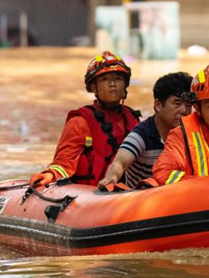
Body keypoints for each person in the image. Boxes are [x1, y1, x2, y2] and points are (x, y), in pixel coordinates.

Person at [30, 51, 141, 188]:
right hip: (91, 195)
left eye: (118, 78)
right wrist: (50, 175)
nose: (112, 84)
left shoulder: (133, 119)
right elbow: (64, 162)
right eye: (105, 79)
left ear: (125, 84)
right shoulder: (80, 122)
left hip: (127, 193)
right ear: (94, 87)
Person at [98, 72, 193, 189]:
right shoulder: (141, 135)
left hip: (177, 196)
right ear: (158, 105)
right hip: (141, 200)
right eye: (177, 103)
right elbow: (119, 163)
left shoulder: (193, 133)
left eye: (189, 105)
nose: (184, 110)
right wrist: (112, 178)